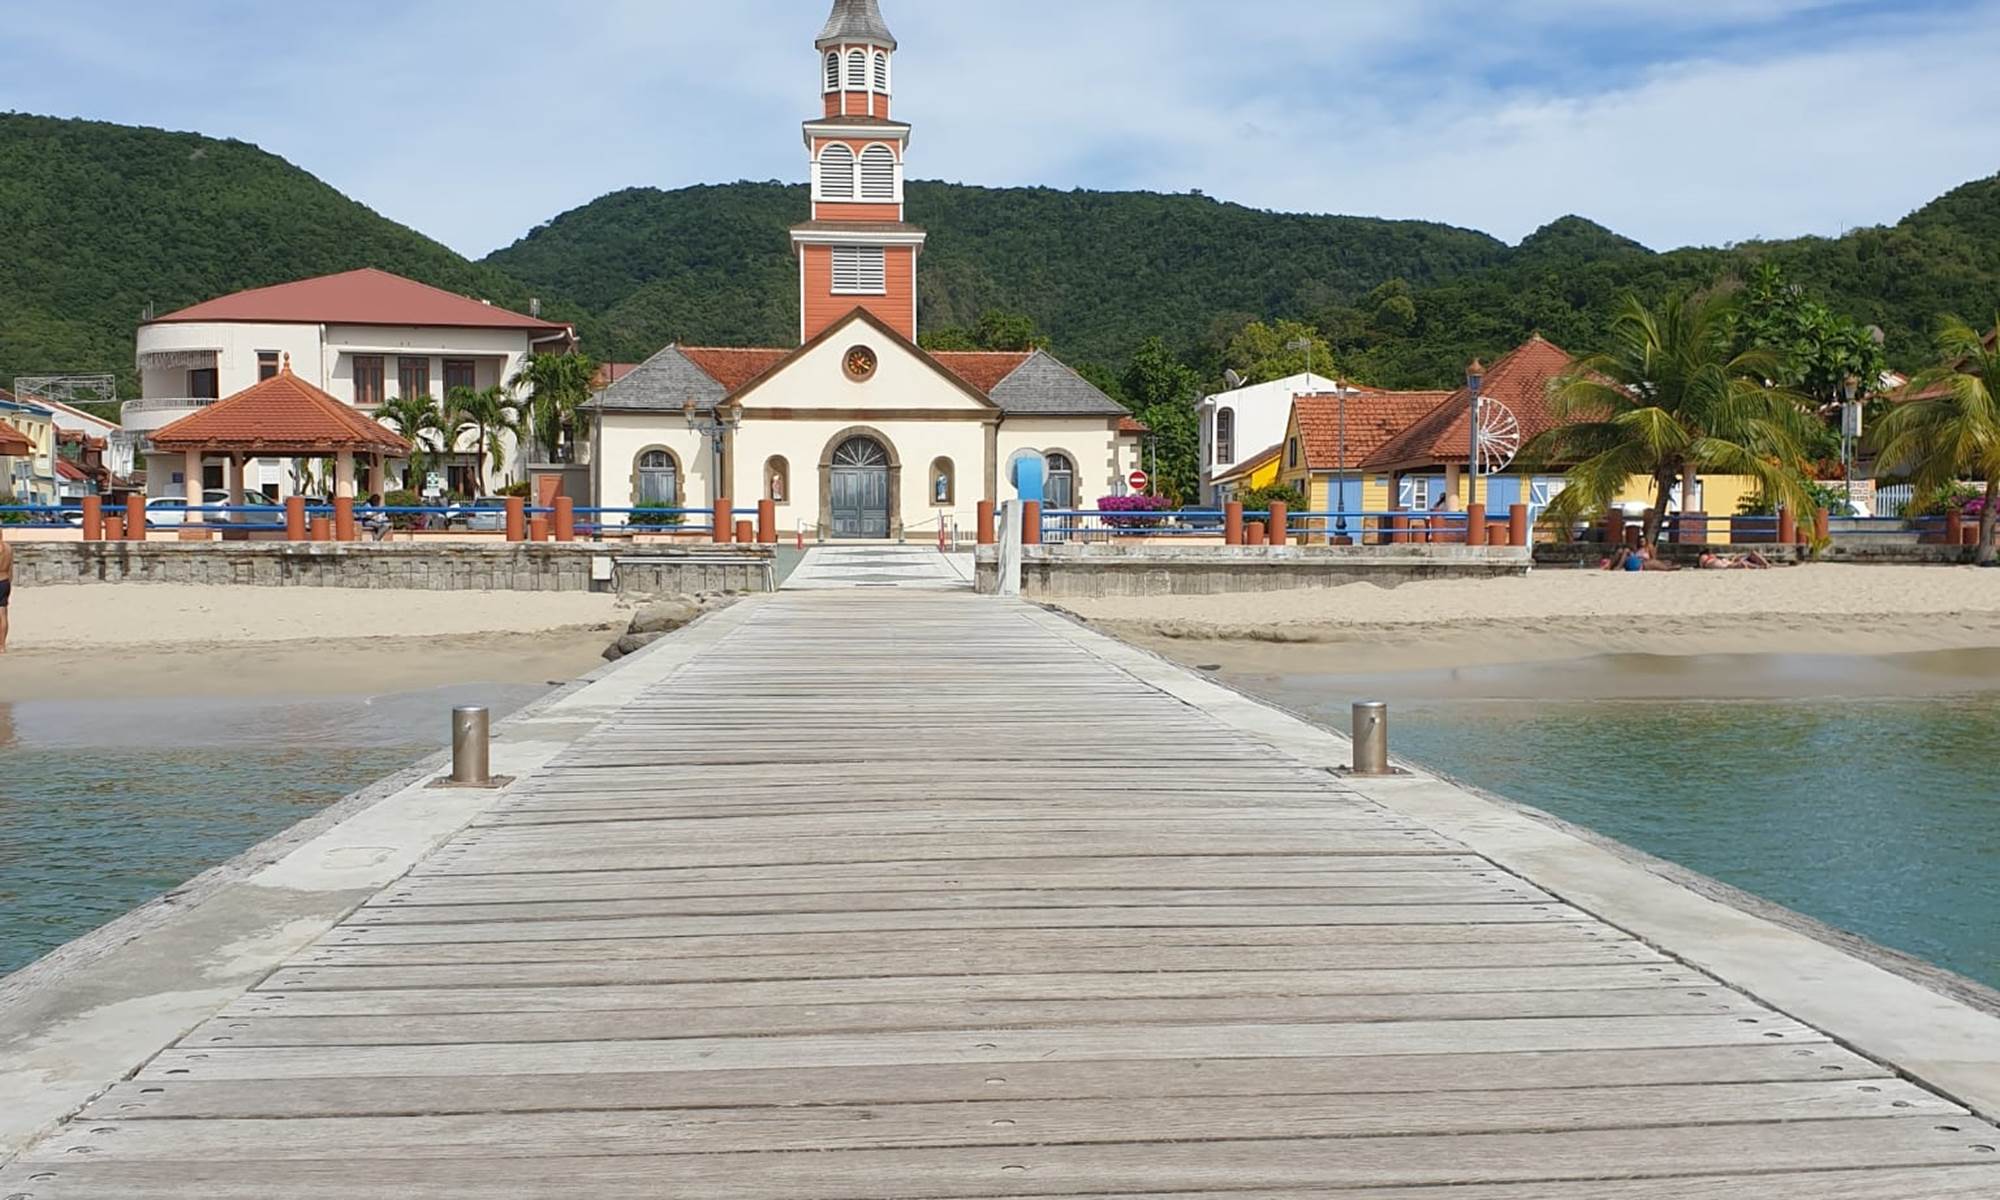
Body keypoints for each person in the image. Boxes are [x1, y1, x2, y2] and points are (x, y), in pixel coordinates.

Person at [0, 524, 13, 654]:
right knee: (3, 614)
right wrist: (10, 583)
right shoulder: (8, 548)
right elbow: (10, 569)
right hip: (5, 582)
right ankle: (2, 645)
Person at [1699, 550, 1772, 570]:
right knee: (1743, 563)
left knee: (1752, 553)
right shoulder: (1705, 558)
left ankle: (1765, 564)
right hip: (1729, 565)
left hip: (1730, 563)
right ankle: (1760, 567)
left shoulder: (1716, 559)